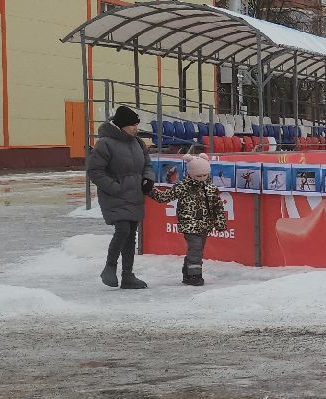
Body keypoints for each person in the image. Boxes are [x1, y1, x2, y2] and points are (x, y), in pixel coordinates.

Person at [86, 105, 154, 290]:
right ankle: (110, 267)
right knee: (123, 229)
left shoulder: (138, 142)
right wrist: (115, 188)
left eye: (136, 124)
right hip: (114, 195)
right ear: (121, 125)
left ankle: (128, 275)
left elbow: (147, 164)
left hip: (134, 194)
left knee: (131, 233)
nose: (135, 128)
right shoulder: (105, 143)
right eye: (132, 125)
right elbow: (95, 171)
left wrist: (148, 179)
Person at [149, 154, 229, 286]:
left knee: (197, 249)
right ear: (191, 173)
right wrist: (149, 190)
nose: (202, 178)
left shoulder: (210, 188)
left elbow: (217, 207)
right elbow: (164, 197)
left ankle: (187, 272)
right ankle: (194, 276)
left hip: (205, 224)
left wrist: (220, 223)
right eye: (198, 176)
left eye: (205, 175)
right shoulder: (183, 186)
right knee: (195, 248)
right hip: (189, 223)